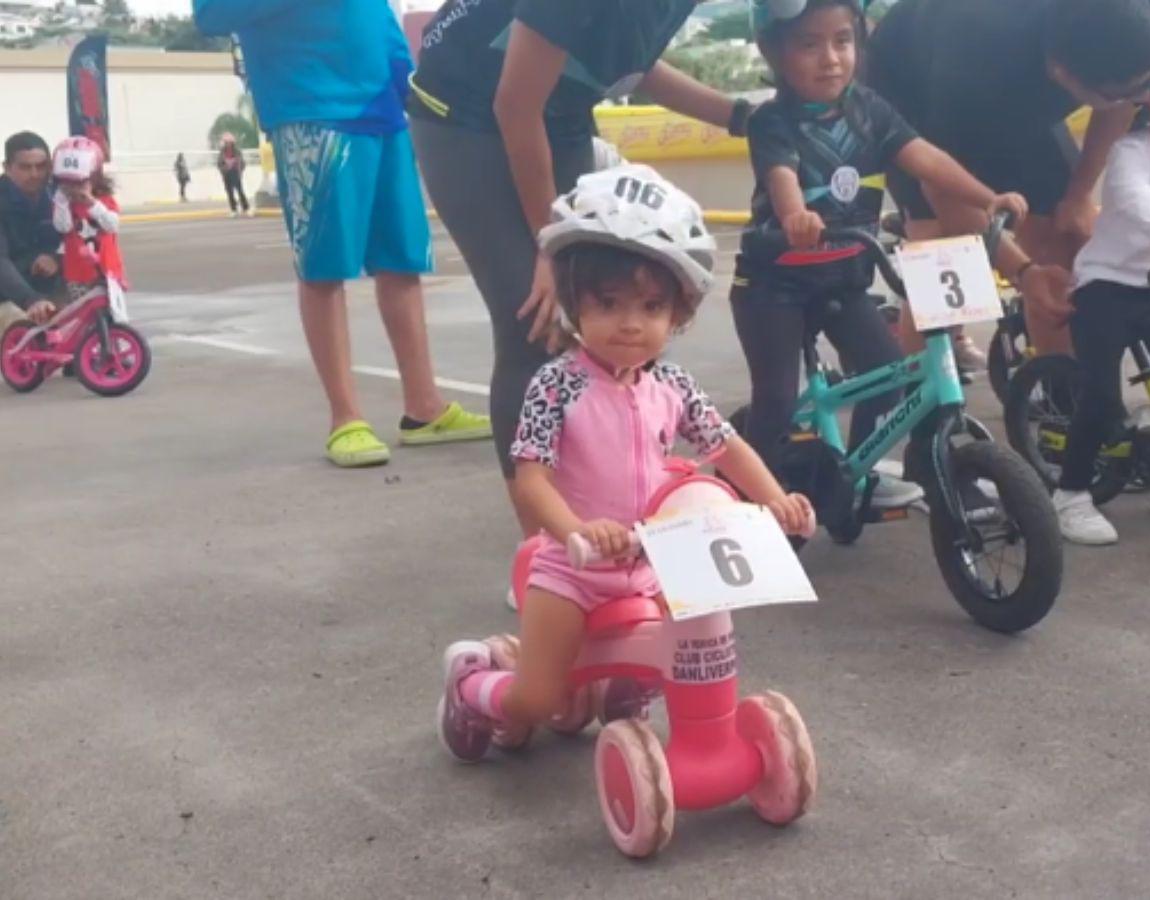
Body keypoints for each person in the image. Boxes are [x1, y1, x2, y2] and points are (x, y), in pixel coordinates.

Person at [435, 166, 817, 761]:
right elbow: (530, 477)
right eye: (608, 303)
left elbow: (725, 447)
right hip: (571, 570)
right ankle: (472, 688)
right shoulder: (555, 385)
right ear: (573, 304)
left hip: (651, 564)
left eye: (651, 305)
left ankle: (622, 699)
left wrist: (772, 498)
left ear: (678, 313)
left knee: (673, 663)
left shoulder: (673, 383)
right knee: (538, 699)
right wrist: (576, 533)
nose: (631, 322)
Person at [408, 0, 757, 535]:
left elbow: (627, 63)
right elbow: (514, 106)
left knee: (614, 310)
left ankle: (605, 510)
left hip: (560, 114)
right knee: (536, 319)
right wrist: (549, 245)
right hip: (464, 111)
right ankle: (543, 544)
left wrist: (740, 117)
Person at [733, 0, 1027, 504]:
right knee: (777, 400)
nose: (831, 58)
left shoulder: (869, 110)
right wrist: (795, 217)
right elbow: (781, 175)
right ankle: (752, 501)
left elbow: (926, 158)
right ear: (775, 53)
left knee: (884, 375)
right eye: (810, 44)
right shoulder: (771, 121)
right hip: (773, 284)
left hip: (844, 276)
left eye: (842, 41)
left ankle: (855, 472)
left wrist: (987, 197)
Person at [193, 0, 490, 468]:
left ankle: (424, 407)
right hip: (312, 106)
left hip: (385, 109)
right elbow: (211, 14)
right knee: (324, 267)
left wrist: (407, 83)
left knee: (403, 261)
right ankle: (345, 417)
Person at [867, 0, 1150, 361]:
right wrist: (1024, 273)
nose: (1146, 98)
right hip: (910, 80)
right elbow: (942, 189)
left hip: (1013, 73)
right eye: (1125, 90)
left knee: (1062, 236)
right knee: (944, 247)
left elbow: (1124, 102)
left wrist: (1078, 196)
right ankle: (925, 388)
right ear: (1062, 73)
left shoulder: (1133, 12)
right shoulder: (975, 66)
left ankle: (1061, 390)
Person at [1052, 17, 1150, 545]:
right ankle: (1069, 493)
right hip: (1105, 287)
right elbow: (1141, 204)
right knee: (1100, 394)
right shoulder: (1130, 154)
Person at [50, 137, 126, 302]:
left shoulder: (104, 200)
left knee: (112, 317)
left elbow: (112, 225)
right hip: (78, 274)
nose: (74, 188)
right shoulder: (63, 203)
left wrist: (91, 203)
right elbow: (63, 227)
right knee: (85, 317)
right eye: (67, 182)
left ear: (93, 178)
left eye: (80, 182)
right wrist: (62, 201)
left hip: (108, 271)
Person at [0, 131, 61, 332]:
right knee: (24, 332)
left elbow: (82, 240)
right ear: (7, 168)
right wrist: (31, 299)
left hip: (44, 287)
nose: (35, 174)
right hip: (7, 295)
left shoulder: (59, 196)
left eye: (41, 166)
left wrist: (55, 258)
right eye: (25, 167)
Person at [216, 133, 251, 217]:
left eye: (229, 142)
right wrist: (225, 167)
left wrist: (239, 169)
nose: (228, 144)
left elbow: (242, 163)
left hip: (235, 173)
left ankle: (246, 208)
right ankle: (233, 209)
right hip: (226, 174)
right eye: (226, 142)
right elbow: (219, 164)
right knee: (230, 192)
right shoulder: (222, 152)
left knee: (240, 191)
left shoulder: (237, 151)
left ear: (232, 142)